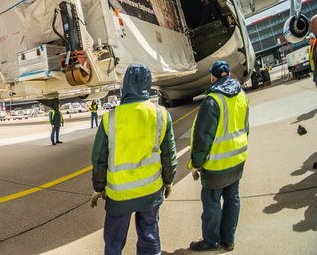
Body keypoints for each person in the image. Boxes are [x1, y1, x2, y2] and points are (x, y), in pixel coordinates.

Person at [90, 63, 177, 255]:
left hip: (119, 194)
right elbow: (169, 155)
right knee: (149, 236)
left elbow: (99, 159)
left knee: (113, 242)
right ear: (147, 84)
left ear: (126, 84)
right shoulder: (161, 114)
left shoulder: (110, 118)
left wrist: (98, 187)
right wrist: (169, 180)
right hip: (150, 190)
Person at [188, 60, 249, 252]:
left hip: (216, 165)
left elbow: (202, 138)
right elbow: (246, 127)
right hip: (238, 159)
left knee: (212, 203)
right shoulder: (242, 95)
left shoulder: (212, 101)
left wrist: (197, 164)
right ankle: (228, 240)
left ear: (212, 77)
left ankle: (211, 240)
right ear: (228, 75)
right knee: (232, 200)